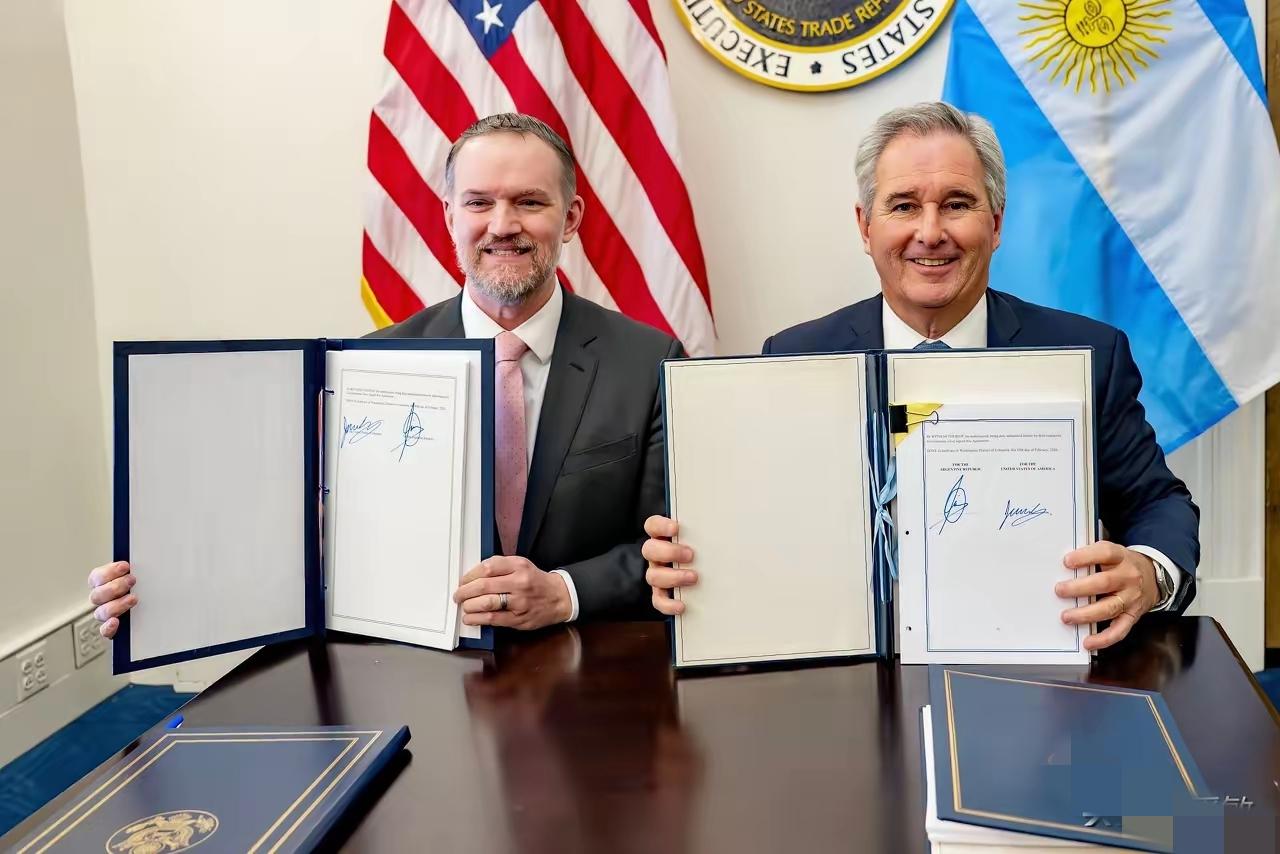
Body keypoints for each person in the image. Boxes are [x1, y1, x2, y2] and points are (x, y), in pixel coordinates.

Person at [90, 113, 681, 638]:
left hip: (592, 662)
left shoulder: (648, 361)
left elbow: (673, 546)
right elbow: (310, 539)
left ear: (570, 218)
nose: (503, 225)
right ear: (449, 216)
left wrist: (564, 592)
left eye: (529, 202)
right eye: (478, 203)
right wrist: (162, 588)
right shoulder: (368, 366)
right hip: (412, 668)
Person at [645, 102, 1198, 652]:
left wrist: (1150, 574)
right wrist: (698, 565)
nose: (930, 233)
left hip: (1028, 664)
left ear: (996, 224)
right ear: (865, 227)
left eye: (956, 204)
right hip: (847, 670)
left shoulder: (1087, 354)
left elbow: (1157, 502)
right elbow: (765, 523)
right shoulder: (794, 356)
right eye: (904, 206)